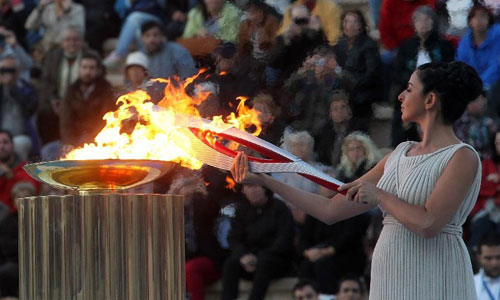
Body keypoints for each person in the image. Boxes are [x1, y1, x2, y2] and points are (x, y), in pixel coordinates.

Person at [230, 61, 484, 299]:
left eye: (409, 89)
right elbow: (330, 209)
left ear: (430, 100)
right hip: (391, 273)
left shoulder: (461, 156)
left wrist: (380, 195)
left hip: (436, 272)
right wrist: (265, 180)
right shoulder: (399, 153)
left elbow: (429, 224)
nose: (400, 96)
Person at [391, 5, 455, 148]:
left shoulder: (444, 45)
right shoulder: (406, 46)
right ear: (414, 24)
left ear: (433, 22)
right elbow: (398, 72)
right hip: (410, 91)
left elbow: (448, 70)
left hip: (436, 91)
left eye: (427, 20)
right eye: (419, 20)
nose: (423, 23)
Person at [221, 183, 295, 300]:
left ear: (265, 188)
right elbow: (234, 238)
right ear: (244, 190)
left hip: (275, 261)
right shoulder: (242, 210)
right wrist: (243, 255)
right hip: (248, 261)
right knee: (231, 264)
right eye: (249, 187)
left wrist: (258, 258)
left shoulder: (279, 208)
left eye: (256, 186)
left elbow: (285, 239)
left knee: (264, 263)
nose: (253, 190)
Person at [167, 173, 226, 300]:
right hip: (183, 261)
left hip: (209, 259)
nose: (186, 195)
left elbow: (217, 190)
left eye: (189, 191)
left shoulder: (202, 206)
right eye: (182, 191)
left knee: (190, 269)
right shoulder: (173, 212)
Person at [38, 26, 89, 145]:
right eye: (68, 40)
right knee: (45, 112)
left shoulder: (89, 56)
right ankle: (49, 148)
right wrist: (53, 100)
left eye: (76, 40)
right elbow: (46, 81)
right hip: (58, 100)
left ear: (81, 41)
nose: (72, 43)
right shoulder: (53, 57)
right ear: (62, 42)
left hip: (81, 101)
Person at [333, 10, 382, 121]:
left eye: (354, 22)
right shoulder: (339, 44)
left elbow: (371, 74)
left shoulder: (369, 45)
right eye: (346, 22)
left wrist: (353, 83)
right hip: (343, 90)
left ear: (360, 25)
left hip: (363, 91)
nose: (349, 26)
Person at [59, 52, 116, 147]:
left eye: (91, 68)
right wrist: (69, 143)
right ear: (79, 69)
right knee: (48, 150)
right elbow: (66, 121)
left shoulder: (106, 89)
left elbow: (107, 118)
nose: (87, 72)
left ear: (98, 70)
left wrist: (96, 141)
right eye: (84, 67)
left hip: (98, 140)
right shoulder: (71, 90)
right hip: (75, 139)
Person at [102, 0, 164, 68]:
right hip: (134, 24)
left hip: (155, 17)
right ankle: (146, 61)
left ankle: (119, 54)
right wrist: (129, 1)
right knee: (137, 33)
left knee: (134, 17)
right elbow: (119, 10)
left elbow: (165, 4)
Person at [0, 55, 39, 158]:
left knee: (20, 143)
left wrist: (13, 89)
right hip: (1, 134)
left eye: (11, 70)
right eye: (4, 70)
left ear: (17, 72)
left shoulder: (27, 89)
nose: (7, 73)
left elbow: (29, 110)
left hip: (21, 135)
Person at [456, 2, 500, 91]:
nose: (479, 20)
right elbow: (461, 67)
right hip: (471, 88)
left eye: (483, 16)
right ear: (470, 22)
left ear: (489, 20)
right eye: (475, 17)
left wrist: (479, 85)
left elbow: (495, 67)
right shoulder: (464, 43)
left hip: (494, 87)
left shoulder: (498, 38)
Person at [316, 90, 364, 167]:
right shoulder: (326, 129)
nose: (339, 111)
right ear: (330, 113)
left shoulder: (358, 128)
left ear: (349, 110)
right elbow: (322, 156)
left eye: (343, 107)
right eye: (335, 108)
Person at [0, 130, 40, 211]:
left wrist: (11, 177)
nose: (1, 146)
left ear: (12, 145)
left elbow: (30, 194)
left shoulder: (28, 170)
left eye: (5, 142)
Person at [474, 233, 500, 300]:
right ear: (478, 258)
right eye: (488, 258)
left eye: (498, 257)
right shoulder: (472, 284)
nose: (494, 264)